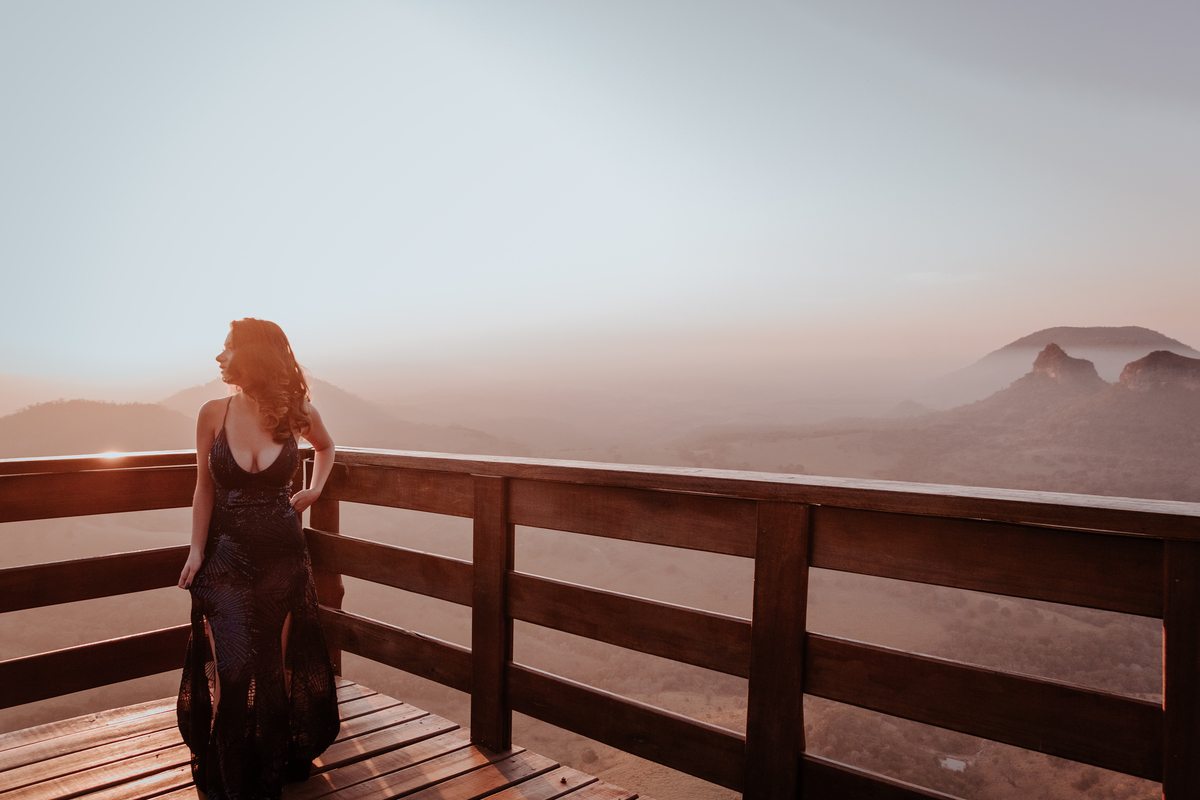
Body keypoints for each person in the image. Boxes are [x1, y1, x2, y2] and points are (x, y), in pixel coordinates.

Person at [176, 318, 340, 800]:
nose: (219, 356)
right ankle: (228, 781)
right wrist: (197, 550)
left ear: (251, 357)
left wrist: (315, 487)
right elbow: (204, 485)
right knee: (231, 671)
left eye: (227, 348)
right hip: (224, 561)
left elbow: (327, 448)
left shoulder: (296, 411)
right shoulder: (212, 413)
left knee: (270, 670)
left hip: (282, 559)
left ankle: (266, 775)